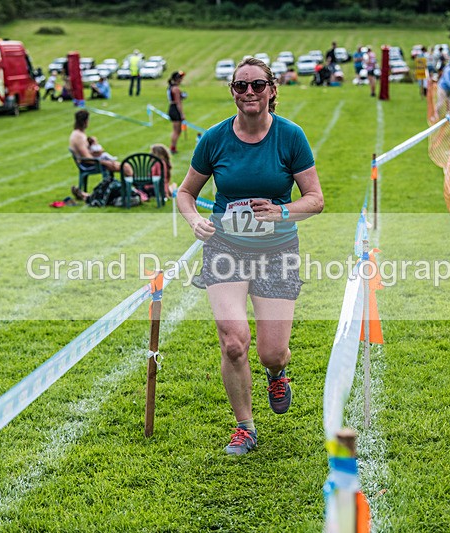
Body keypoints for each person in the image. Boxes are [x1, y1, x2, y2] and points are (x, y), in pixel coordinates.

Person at [176, 57, 324, 456]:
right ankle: (245, 426)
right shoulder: (214, 139)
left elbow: (316, 199)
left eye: (257, 85)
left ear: (272, 90)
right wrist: (193, 221)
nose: (249, 94)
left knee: (270, 350)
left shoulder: (291, 137)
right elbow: (185, 193)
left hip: (276, 250)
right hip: (226, 248)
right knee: (234, 343)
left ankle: (278, 374)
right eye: (240, 87)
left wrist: (282, 211)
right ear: (233, 93)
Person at [68, 109, 129, 176]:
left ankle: (134, 186)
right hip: (90, 165)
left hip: (92, 162)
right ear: (85, 121)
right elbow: (88, 159)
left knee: (125, 166)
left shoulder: (78, 134)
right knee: (126, 168)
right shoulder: (78, 137)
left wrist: (92, 143)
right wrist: (106, 163)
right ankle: (136, 186)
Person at [167, 70, 186, 154]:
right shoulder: (176, 88)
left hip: (172, 107)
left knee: (177, 130)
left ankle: (173, 146)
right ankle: (172, 147)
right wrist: (182, 114)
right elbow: (178, 102)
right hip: (175, 109)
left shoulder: (171, 87)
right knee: (176, 131)